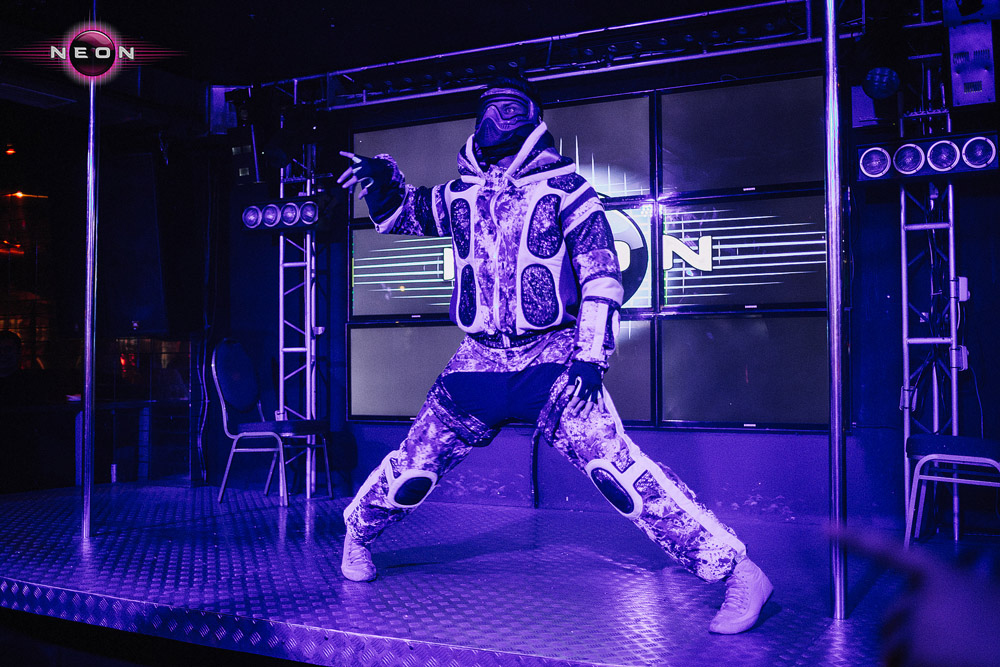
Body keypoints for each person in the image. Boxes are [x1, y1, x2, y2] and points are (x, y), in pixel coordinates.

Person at [336, 77, 773, 634]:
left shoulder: (569, 190)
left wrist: (590, 355)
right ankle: (357, 534)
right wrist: (382, 181)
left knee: (617, 472)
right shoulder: (458, 195)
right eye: (490, 108)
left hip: (552, 359)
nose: (497, 119)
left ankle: (737, 572)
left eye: (510, 108)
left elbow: (602, 277)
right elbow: (403, 215)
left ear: (533, 117)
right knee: (413, 468)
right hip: (478, 363)